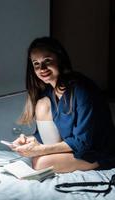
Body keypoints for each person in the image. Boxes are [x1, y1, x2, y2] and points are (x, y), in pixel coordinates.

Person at [11, 36, 115, 173]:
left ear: (59, 59)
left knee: (40, 163)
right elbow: (44, 137)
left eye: (47, 61)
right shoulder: (48, 93)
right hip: (76, 149)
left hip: (96, 152)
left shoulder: (82, 89)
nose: (41, 68)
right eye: (36, 63)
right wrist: (29, 141)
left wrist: (41, 150)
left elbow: (82, 143)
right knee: (42, 106)